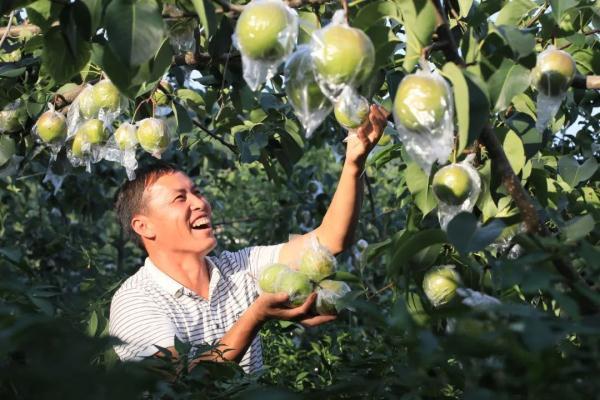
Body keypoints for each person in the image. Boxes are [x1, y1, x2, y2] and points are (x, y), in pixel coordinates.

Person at [109, 105, 389, 373]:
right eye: (180, 198)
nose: (200, 203)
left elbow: (330, 241)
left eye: (197, 192)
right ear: (143, 226)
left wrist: (354, 161)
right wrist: (255, 316)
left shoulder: (238, 269)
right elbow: (182, 383)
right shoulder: (135, 301)